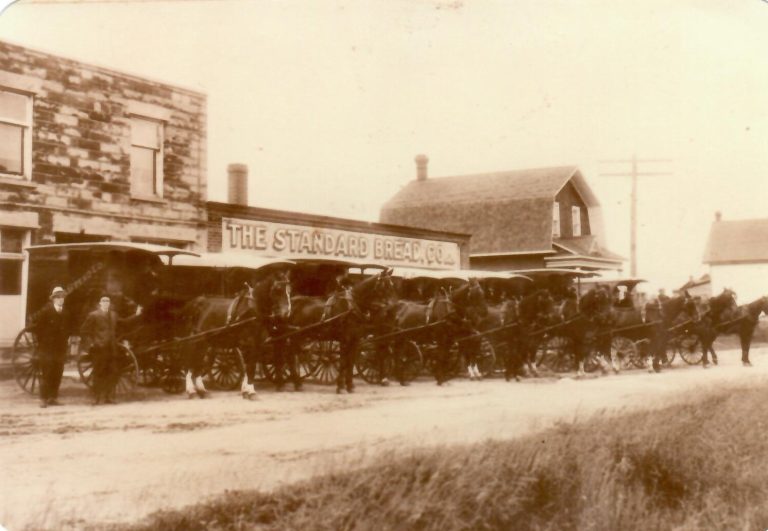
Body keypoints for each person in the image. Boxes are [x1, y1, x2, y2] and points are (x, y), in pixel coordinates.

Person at [80, 295, 142, 405]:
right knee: (98, 373)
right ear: (99, 303)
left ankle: (109, 397)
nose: (105, 302)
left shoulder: (113, 315)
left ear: (109, 303)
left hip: (112, 348)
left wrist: (136, 315)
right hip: (99, 348)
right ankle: (97, 398)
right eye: (103, 301)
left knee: (112, 372)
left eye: (107, 301)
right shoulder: (94, 315)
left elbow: (124, 322)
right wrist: (93, 343)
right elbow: (84, 330)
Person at [30, 286, 72, 408]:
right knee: (46, 373)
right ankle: (43, 398)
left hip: (60, 348)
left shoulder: (66, 313)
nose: (60, 299)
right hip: (47, 348)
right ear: (53, 299)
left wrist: (66, 340)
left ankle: (53, 397)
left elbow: (69, 329)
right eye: (58, 297)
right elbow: (38, 329)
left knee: (57, 373)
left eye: (62, 297)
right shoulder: (46, 312)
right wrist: (43, 343)